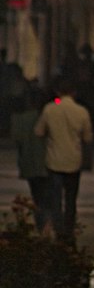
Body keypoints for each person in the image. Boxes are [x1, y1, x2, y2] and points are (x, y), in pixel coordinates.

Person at [34, 78, 93, 239]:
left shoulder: (50, 109)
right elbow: (88, 137)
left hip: (54, 160)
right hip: (73, 159)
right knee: (71, 198)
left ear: (57, 92)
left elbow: (39, 131)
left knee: (55, 198)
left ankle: (58, 228)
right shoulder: (82, 111)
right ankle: (69, 228)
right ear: (74, 93)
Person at [10, 82, 52, 231]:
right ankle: (47, 224)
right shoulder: (47, 116)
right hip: (48, 163)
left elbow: (17, 139)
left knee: (37, 195)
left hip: (29, 163)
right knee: (48, 196)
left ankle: (41, 224)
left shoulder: (20, 120)